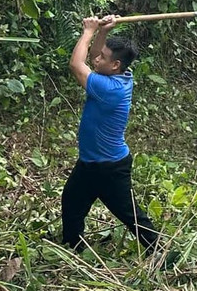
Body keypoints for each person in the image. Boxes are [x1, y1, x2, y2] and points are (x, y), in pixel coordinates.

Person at [62, 15, 160, 255]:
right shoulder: (120, 75)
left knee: (130, 215)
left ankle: (159, 251)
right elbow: (95, 55)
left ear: (115, 65)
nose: (97, 59)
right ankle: (73, 247)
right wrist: (103, 31)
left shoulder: (110, 89)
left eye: (103, 58)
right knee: (71, 202)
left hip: (110, 167)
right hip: (89, 163)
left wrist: (88, 30)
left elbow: (77, 65)